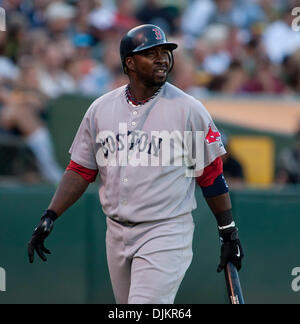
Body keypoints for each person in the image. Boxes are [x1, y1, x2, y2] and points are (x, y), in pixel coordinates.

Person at [27, 24, 244, 304]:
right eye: (150, 53)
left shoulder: (187, 110)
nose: (162, 58)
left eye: (164, 52)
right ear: (129, 62)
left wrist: (228, 233)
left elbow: (211, 176)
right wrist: (51, 214)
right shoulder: (100, 109)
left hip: (165, 230)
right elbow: (81, 170)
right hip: (115, 232)